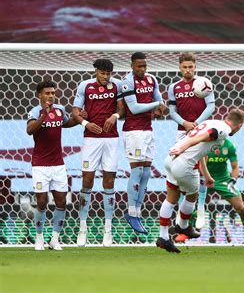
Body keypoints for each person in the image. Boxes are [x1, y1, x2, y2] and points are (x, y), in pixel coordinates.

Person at [157, 109, 244, 253]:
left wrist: (206, 175)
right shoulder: (223, 130)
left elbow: (201, 151)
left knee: (171, 198)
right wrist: (182, 148)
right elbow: (201, 137)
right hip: (184, 162)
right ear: (239, 126)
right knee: (192, 194)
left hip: (170, 159)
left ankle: (163, 237)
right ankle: (183, 225)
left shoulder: (210, 122)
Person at [73, 59, 124, 247]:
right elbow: (76, 111)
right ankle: (82, 229)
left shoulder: (117, 84)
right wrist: (86, 123)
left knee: (109, 181)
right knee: (87, 180)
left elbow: (122, 108)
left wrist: (115, 115)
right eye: (102, 73)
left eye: (108, 73)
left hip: (111, 139)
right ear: (96, 71)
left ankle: (108, 230)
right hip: (91, 139)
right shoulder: (85, 86)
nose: (105, 77)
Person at [175, 138, 244, 247]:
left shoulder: (229, 145)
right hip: (204, 178)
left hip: (223, 180)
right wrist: (207, 177)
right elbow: (201, 165)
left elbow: (235, 167)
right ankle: (185, 233)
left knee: (240, 208)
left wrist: (233, 180)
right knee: (193, 205)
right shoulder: (204, 144)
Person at [27, 80, 79, 251]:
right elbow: (30, 130)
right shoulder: (35, 111)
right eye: (47, 93)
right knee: (41, 202)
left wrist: (79, 119)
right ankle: (39, 238)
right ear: (40, 95)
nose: (51, 96)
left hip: (58, 164)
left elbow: (66, 123)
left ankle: (55, 239)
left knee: (61, 201)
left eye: (52, 93)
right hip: (40, 165)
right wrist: (44, 115)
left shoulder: (59, 110)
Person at [121, 52, 167, 234]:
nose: (142, 69)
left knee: (147, 173)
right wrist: (156, 105)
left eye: (144, 66)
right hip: (133, 131)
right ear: (132, 65)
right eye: (139, 66)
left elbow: (159, 99)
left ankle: (137, 214)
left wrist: (160, 106)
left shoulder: (151, 80)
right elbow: (133, 108)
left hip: (148, 130)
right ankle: (131, 212)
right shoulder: (127, 81)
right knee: (137, 170)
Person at [168, 52, 215, 227]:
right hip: (182, 131)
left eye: (191, 67)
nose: (188, 70)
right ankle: (182, 209)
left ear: (195, 67)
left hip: (201, 130)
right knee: (180, 169)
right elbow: (172, 112)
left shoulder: (204, 83)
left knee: (199, 167)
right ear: (180, 68)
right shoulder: (174, 87)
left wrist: (197, 123)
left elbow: (211, 106)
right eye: (184, 67)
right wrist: (185, 123)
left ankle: (200, 208)